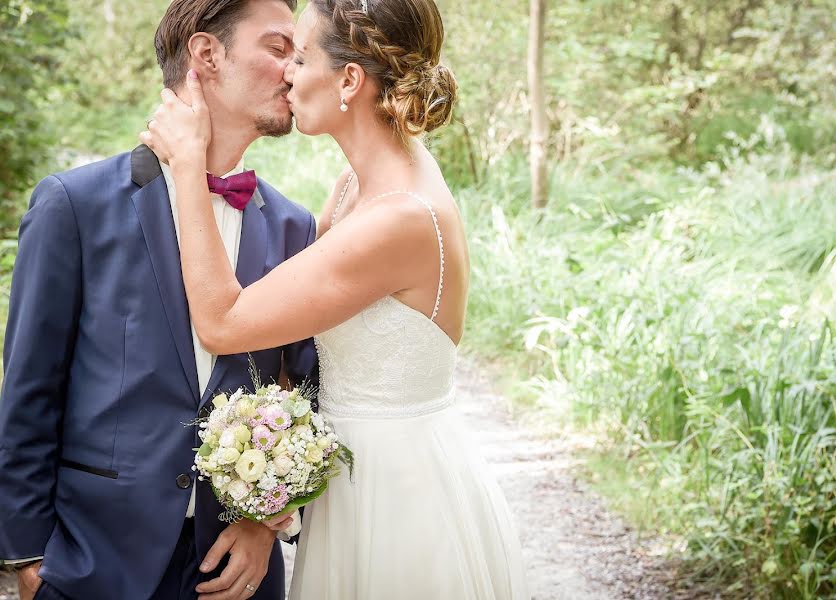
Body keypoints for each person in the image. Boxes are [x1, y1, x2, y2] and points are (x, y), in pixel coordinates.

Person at [141, 0, 529, 597]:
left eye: (299, 56)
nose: (287, 74)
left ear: (349, 79)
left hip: (399, 497)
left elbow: (225, 322)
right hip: (353, 481)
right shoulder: (356, 186)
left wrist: (189, 163)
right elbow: (301, 355)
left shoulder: (399, 216)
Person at [0, 1, 319, 598]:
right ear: (206, 55)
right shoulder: (74, 205)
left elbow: (300, 390)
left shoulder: (292, 227)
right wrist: (27, 557)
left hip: (236, 569)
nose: (295, 72)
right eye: (279, 49)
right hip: (92, 560)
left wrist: (266, 522)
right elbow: (29, 390)